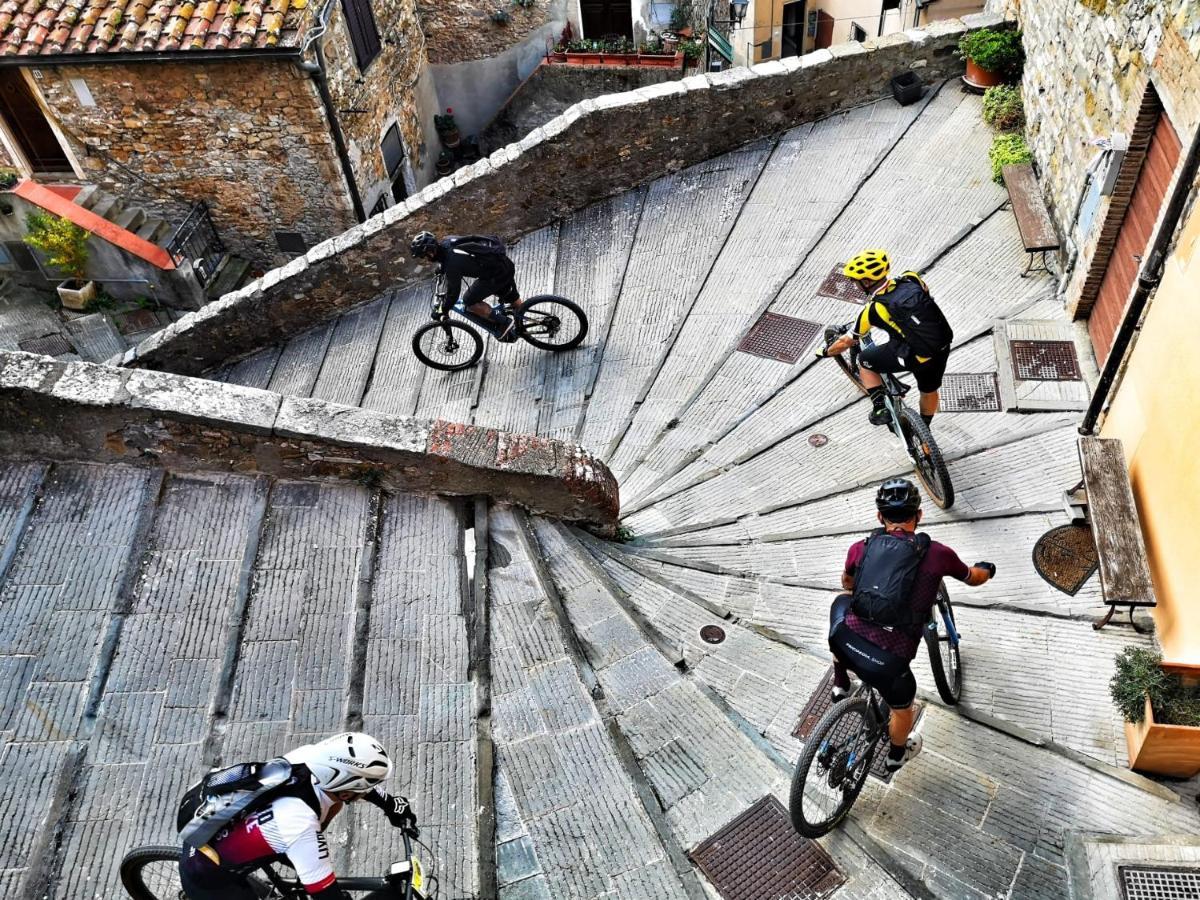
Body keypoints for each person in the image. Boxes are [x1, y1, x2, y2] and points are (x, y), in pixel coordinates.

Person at [828, 479, 995, 773]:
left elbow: (847, 582)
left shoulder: (860, 547)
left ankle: (841, 684)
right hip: (888, 662)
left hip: (845, 641)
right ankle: (896, 754)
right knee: (904, 707)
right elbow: (973, 577)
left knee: (841, 605)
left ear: (880, 517)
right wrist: (987, 570)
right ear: (919, 515)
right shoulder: (938, 554)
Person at [179, 732, 418, 900]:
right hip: (207, 878)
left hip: (255, 831)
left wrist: (389, 804)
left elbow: (350, 786)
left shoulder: (310, 758)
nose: (370, 791)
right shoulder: (301, 828)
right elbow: (327, 895)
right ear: (346, 791)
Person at [819, 249, 955, 429]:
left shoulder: (873, 310)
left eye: (855, 281)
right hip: (941, 346)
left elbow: (846, 342)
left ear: (866, 282)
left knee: (865, 360)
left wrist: (826, 351)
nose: (854, 285)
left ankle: (879, 409)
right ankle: (924, 429)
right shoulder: (911, 278)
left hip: (914, 356)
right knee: (929, 390)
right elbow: (926, 293)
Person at [411, 230, 522, 342]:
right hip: (503, 264)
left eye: (424, 256)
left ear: (430, 252)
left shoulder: (451, 264)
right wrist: (441, 268)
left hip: (496, 275)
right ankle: (523, 326)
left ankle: (504, 322)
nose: (427, 259)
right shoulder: (447, 241)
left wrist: (443, 310)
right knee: (511, 296)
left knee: (469, 301)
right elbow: (460, 256)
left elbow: (453, 292)